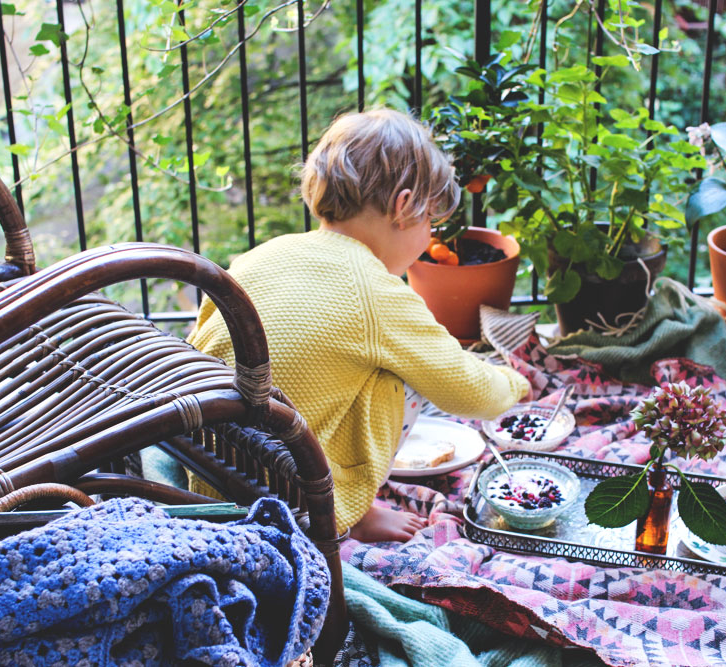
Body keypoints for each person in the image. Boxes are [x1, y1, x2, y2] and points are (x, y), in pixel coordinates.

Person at [188, 109, 530, 542]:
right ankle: (349, 511)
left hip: (212, 472)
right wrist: (514, 383)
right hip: (294, 499)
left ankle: (356, 510)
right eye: (431, 223)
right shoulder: (373, 291)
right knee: (403, 374)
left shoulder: (260, 255)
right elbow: (468, 390)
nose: (429, 239)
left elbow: (203, 336)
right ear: (404, 207)